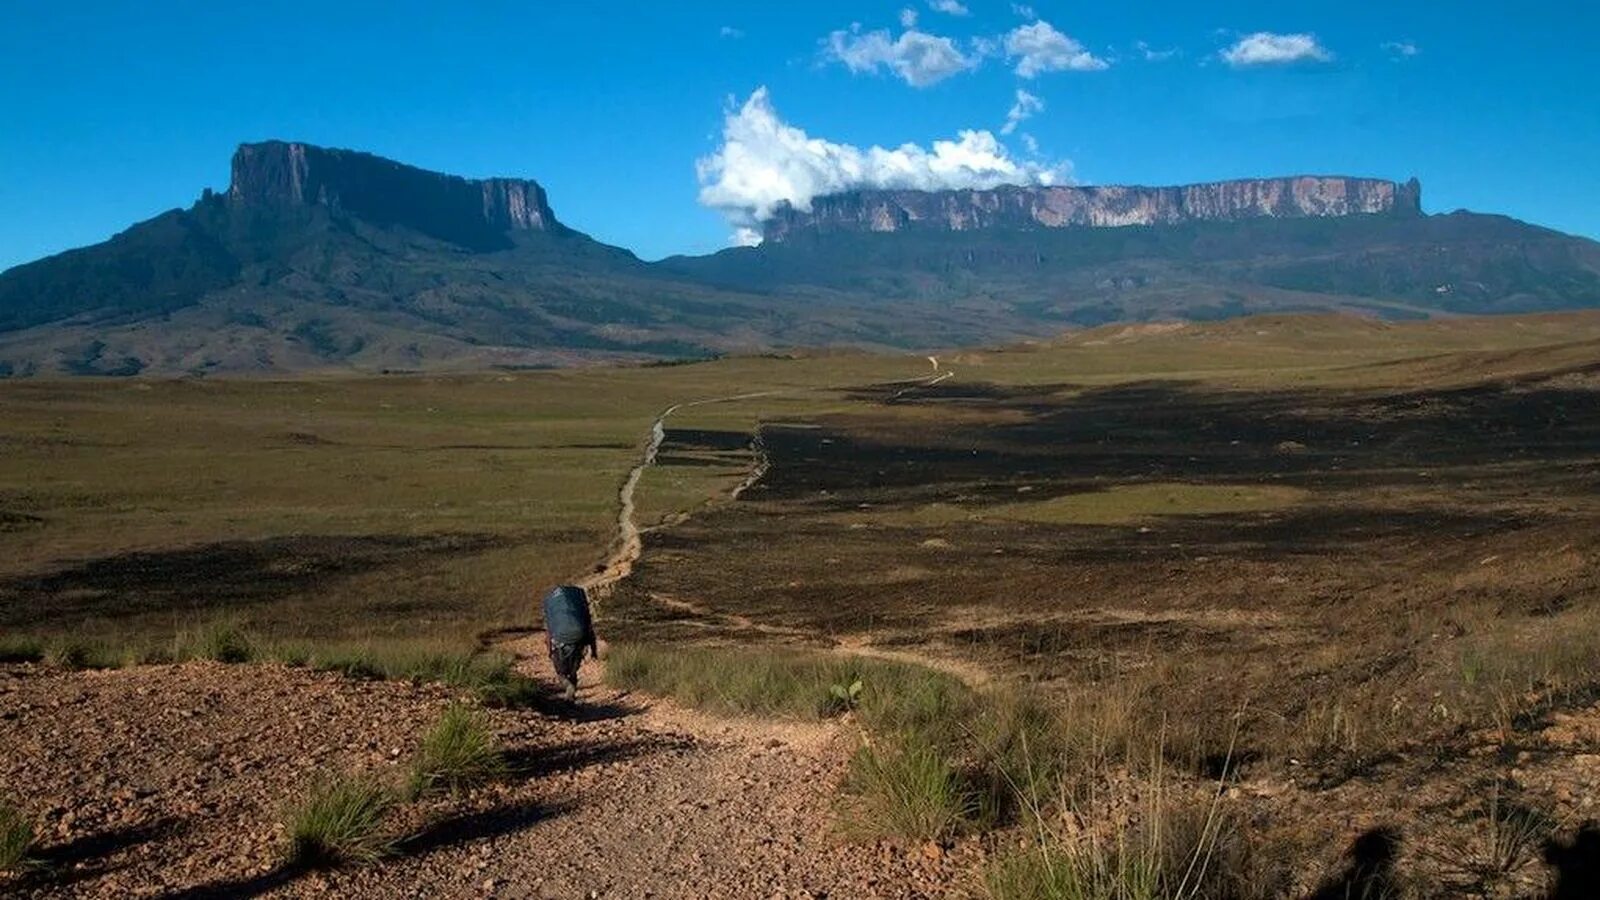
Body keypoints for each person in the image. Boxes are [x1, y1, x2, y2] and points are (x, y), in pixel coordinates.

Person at [542, 584, 598, 701]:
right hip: (578, 639)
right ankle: (571, 695)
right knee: (573, 671)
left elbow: (548, 634)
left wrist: (550, 652)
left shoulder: (552, 612)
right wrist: (593, 651)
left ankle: (569, 688)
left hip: (559, 643)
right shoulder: (579, 610)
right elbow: (590, 631)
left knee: (561, 673)